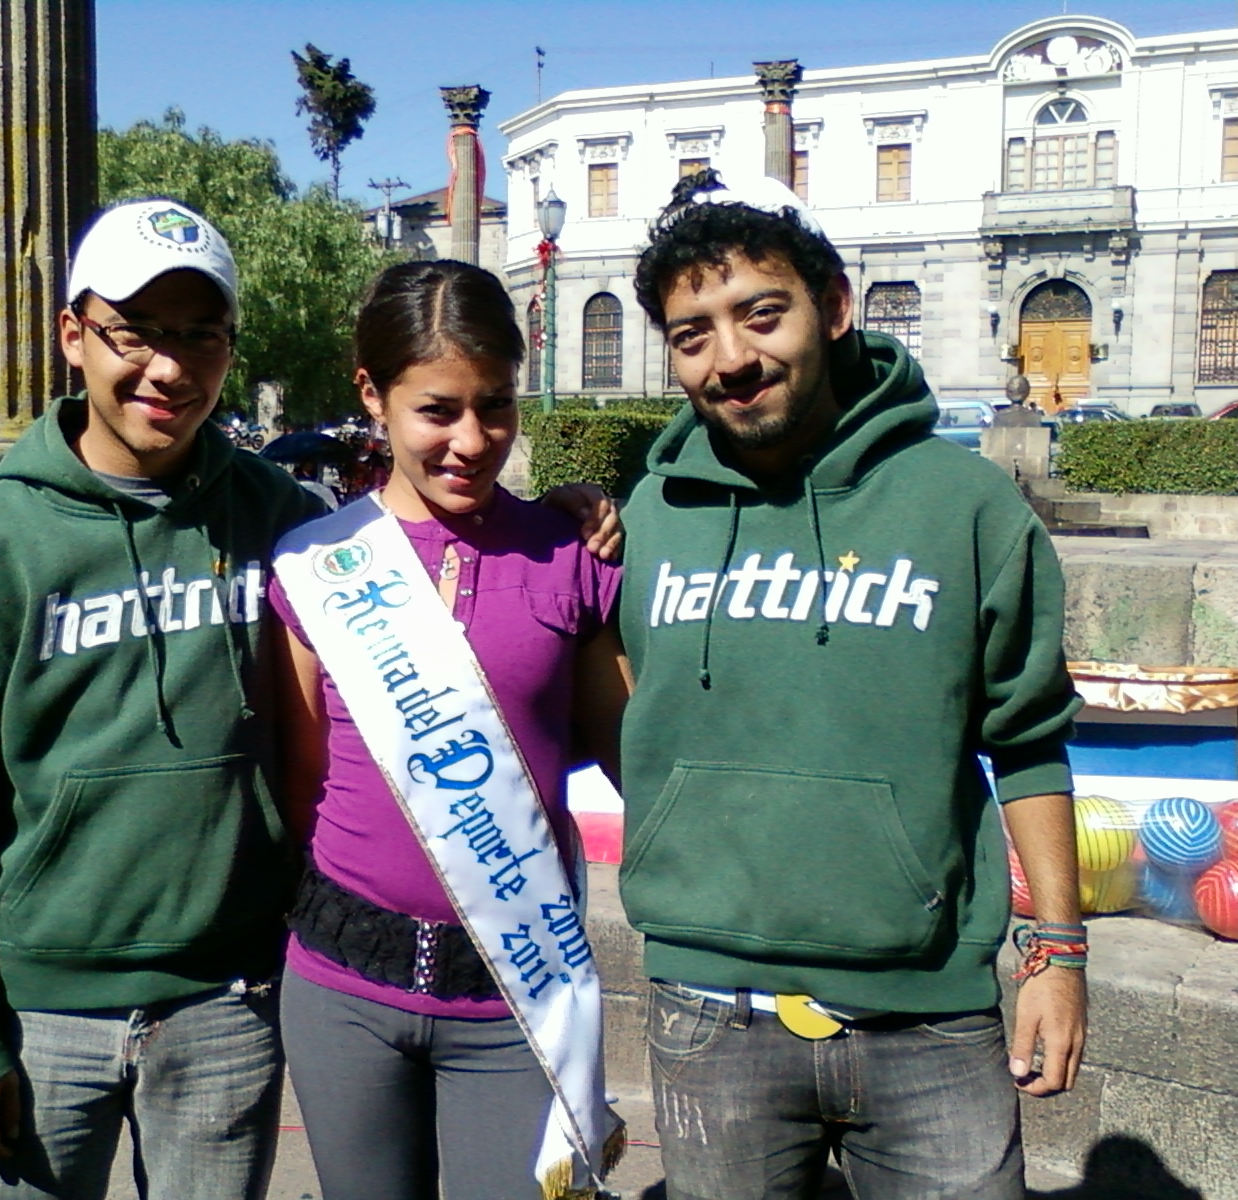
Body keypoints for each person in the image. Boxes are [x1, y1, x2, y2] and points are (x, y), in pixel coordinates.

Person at [615, 174, 1086, 1199]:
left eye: (760, 315)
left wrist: (1057, 953)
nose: (730, 358)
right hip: (708, 1007)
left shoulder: (963, 506)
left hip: (930, 1022)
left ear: (831, 308)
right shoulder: (642, 517)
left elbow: (1030, 738)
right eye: (691, 334)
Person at [0, 199, 325, 1200]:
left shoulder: (285, 520)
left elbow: (429, 563)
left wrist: (562, 523)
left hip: (226, 1006)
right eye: (136, 333)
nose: (169, 368)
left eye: (198, 335)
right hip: (41, 1021)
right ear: (75, 337)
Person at [268, 260, 630, 1200]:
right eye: (437, 410)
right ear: (372, 396)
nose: (472, 441)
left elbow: (612, 749)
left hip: (518, 995)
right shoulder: (314, 566)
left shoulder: (571, 557)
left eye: (497, 407)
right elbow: (305, 781)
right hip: (343, 991)